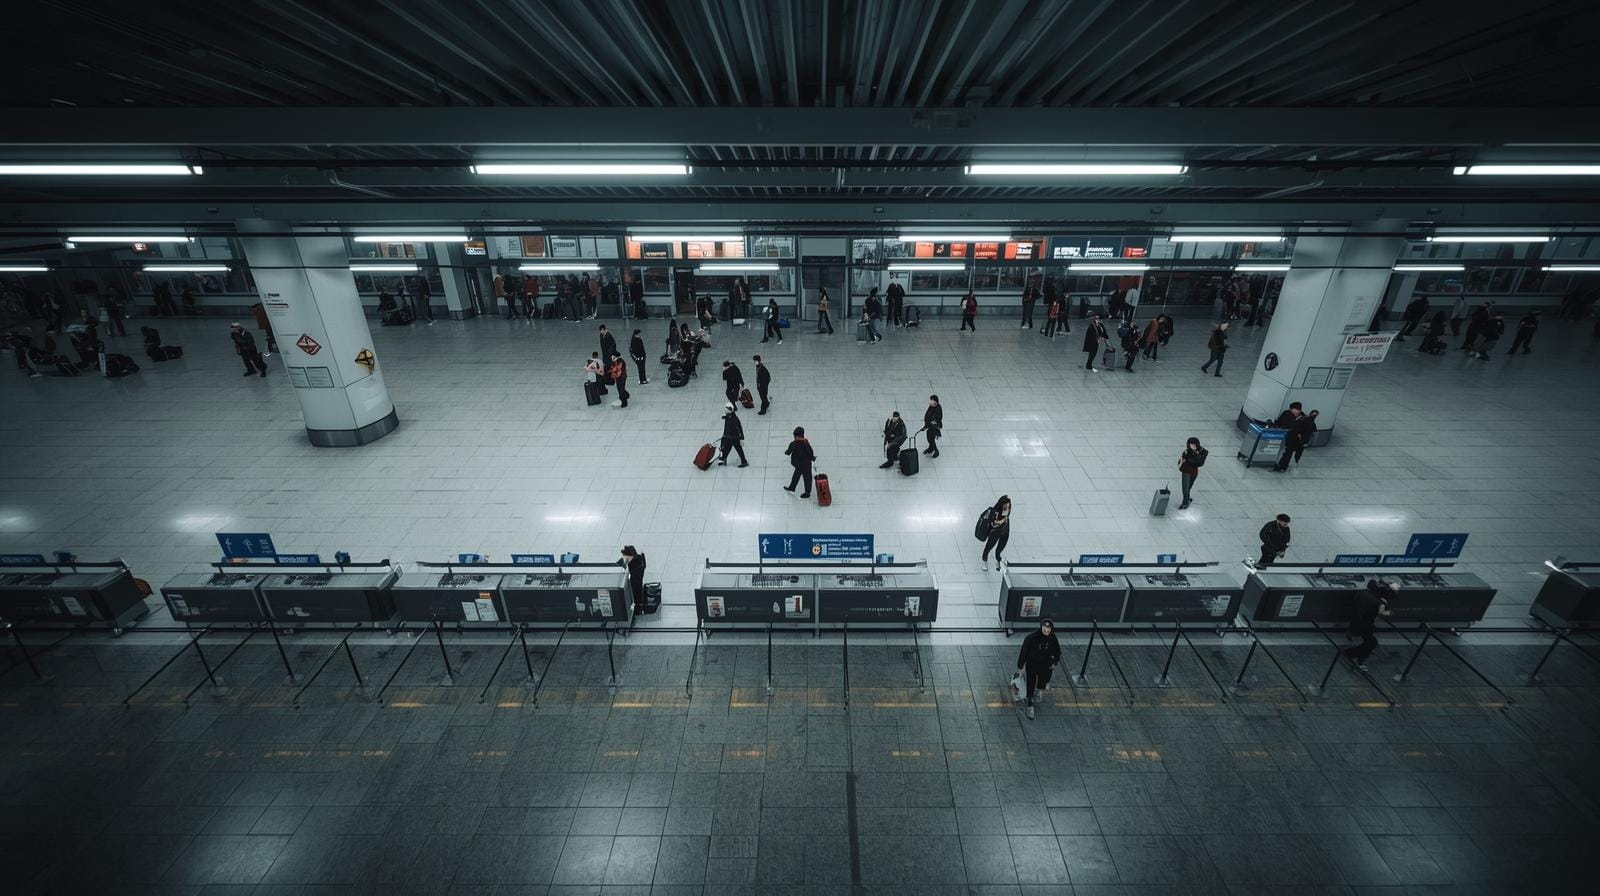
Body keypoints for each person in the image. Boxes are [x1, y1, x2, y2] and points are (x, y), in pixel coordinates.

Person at [1344, 579, 1396, 672]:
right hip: (1364, 625)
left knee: (1369, 641)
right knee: (1371, 643)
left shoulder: (1363, 593)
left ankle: (1352, 652)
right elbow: (1383, 614)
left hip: (1355, 619)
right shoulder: (1380, 603)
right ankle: (1355, 658)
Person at [1015, 617, 1061, 720]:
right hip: (1033, 664)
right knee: (1031, 682)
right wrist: (1020, 666)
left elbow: (1057, 651)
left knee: (1043, 681)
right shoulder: (1031, 638)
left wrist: (1055, 662)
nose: (1047, 630)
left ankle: (1038, 691)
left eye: (1049, 628)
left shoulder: (1053, 638)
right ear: (1041, 627)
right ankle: (1030, 703)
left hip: (1046, 665)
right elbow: (1024, 652)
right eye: (1045, 627)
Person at [980, 495, 1012, 570]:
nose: (1007, 508)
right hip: (995, 533)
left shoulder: (1008, 508)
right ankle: (984, 562)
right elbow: (994, 524)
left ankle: (998, 562)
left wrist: (1002, 520)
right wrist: (1003, 520)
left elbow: (1004, 517)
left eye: (1008, 506)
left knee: (999, 549)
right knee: (988, 548)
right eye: (1006, 506)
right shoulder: (994, 512)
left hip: (1005, 532)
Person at [782, 426, 815, 497]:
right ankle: (805, 491)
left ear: (796, 436)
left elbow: (788, 452)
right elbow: (810, 452)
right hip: (806, 464)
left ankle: (794, 488)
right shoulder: (806, 442)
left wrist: (787, 451)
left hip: (798, 464)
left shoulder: (793, 443)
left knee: (797, 476)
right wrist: (812, 457)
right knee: (807, 478)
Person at [1177, 438, 1207, 509]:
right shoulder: (1187, 452)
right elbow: (1183, 459)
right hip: (1186, 471)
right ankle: (1185, 503)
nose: (1193, 446)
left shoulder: (1200, 451)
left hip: (1194, 472)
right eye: (1191, 444)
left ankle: (1187, 499)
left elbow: (1201, 461)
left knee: (1188, 486)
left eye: (1194, 444)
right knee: (1185, 488)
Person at [718, 402, 748, 467]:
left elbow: (739, 428)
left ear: (729, 409)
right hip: (728, 436)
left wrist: (741, 438)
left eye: (726, 409)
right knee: (727, 448)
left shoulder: (734, 419)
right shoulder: (728, 416)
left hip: (734, 437)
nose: (725, 410)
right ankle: (723, 459)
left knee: (738, 449)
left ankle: (744, 461)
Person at [619, 546, 648, 614]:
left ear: (630, 556)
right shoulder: (638, 558)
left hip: (635, 583)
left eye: (626, 556)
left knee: (636, 595)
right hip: (638, 581)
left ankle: (637, 610)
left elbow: (622, 565)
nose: (624, 557)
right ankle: (638, 607)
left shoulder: (636, 566)